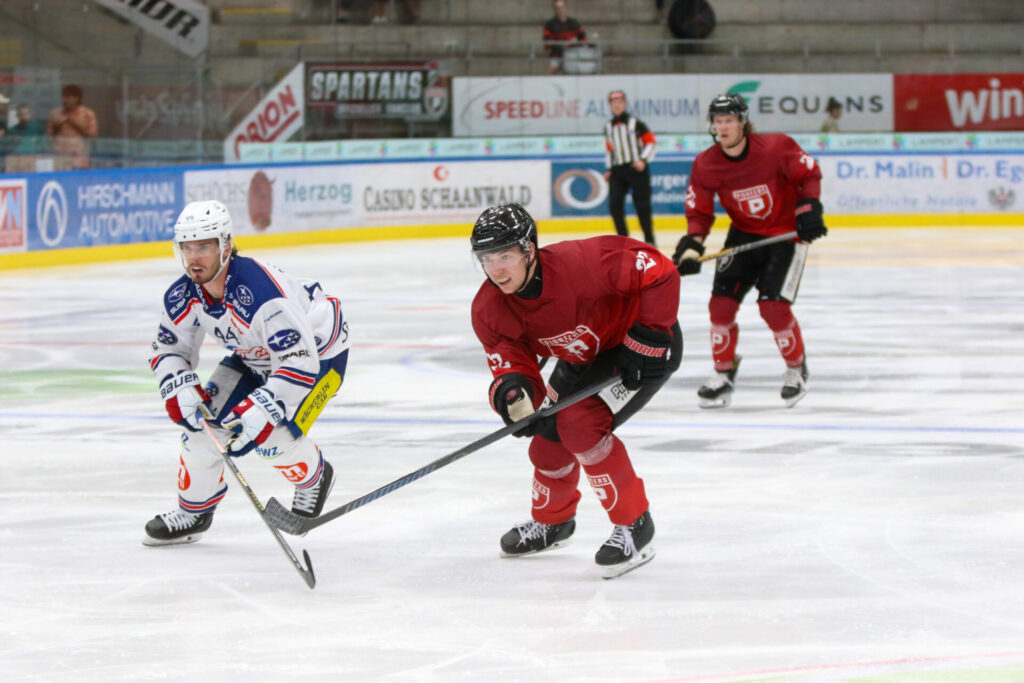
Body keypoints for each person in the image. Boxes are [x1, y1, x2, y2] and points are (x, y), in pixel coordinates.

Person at [470, 202, 682, 579]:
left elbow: (659, 270)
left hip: (640, 350)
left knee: (580, 426)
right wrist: (515, 395)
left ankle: (635, 527)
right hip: (583, 357)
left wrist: (649, 336)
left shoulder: (582, 264)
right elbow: (511, 360)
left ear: (529, 250)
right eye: (486, 259)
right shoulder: (489, 308)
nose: (496, 270)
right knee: (547, 439)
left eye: (505, 255)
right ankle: (555, 523)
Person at [143, 200, 350, 546]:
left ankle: (314, 477)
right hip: (255, 359)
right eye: (187, 247)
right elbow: (169, 349)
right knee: (203, 427)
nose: (194, 257)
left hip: (318, 356)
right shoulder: (183, 295)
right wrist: (179, 385)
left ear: (225, 245)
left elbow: (300, 360)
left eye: (204, 246)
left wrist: (265, 406)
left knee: (270, 438)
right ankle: (195, 511)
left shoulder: (260, 292)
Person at [673, 94, 827, 410]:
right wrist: (692, 244)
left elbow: (808, 174)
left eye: (729, 120)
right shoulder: (706, 163)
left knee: (773, 308)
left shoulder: (775, 147)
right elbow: (699, 210)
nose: (723, 127)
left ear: (743, 122)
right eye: (718, 121)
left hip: (786, 236)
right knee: (720, 306)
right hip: (743, 235)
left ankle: (797, 368)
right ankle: (723, 373)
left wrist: (809, 207)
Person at [603, 90, 657, 246]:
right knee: (614, 204)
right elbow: (610, 149)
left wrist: (643, 160)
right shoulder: (608, 127)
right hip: (618, 170)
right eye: (614, 103)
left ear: (625, 104)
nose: (617, 106)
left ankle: (649, 240)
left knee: (642, 205)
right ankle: (623, 241)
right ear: (610, 106)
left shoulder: (636, 124)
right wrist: (609, 169)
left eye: (620, 102)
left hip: (636, 169)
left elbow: (651, 142)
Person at [46, 84, 98, 170]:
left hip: (79, 159)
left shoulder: (87, 114)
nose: (64, 100)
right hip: (60, 158)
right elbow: (48, 137)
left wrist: (75, 123)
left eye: (68, 97)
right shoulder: (55, 114)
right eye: (63, 96)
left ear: (77, 98)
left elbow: (93, 136)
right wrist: (57, 127)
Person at [543, 0, 587, 75]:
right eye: (557, 8)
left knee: (586, 68)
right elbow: (547, 43)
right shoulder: (550, 24)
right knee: (552, 68)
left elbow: (584, 39)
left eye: (561, 7)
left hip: (573, 54)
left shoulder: (574, 23)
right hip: (557, 55)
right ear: (554, 9)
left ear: (566, 8)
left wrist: (573, 44)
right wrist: (561, 44)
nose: (559, 10)